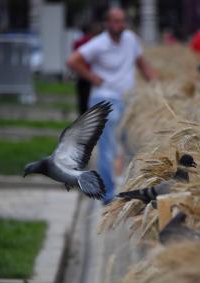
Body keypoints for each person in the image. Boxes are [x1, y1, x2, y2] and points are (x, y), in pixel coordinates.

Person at [67, 7, 156, 204]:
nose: (119, 25)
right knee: (108, 149)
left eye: (122, 21)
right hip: (105, 100)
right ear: (106, 23)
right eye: (115, 21)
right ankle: (107, 196)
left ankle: (137, 190)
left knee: (134, 144)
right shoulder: (98, 44)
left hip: (128, 99)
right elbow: (73, 61)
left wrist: (155, 86)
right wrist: (92, 77)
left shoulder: (131, 39)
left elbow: (141, 63)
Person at [72, 24, 95, 115]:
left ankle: (82, 116)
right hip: (90, 73)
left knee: (82, 99)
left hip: (80, 74)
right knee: (90, 99)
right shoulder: (92, 42)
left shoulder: (77, 42)